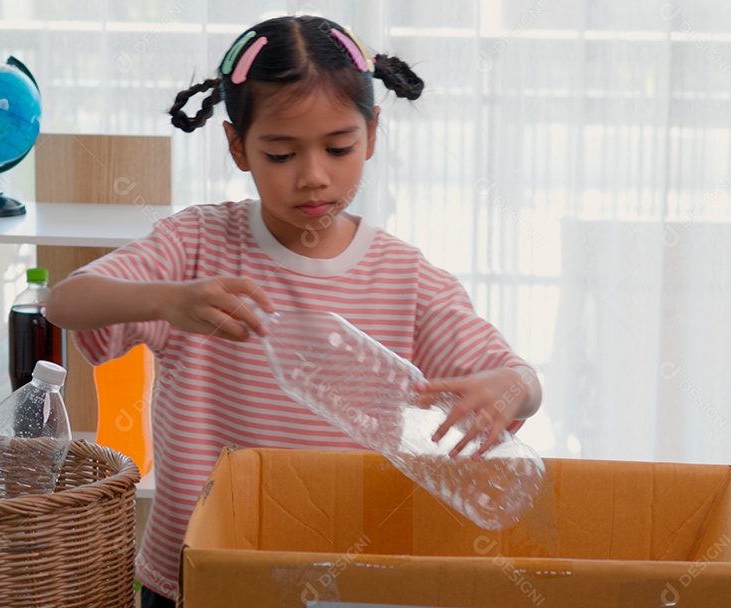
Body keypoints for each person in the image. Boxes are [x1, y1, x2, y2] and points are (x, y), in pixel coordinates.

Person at [46, 14, 542, 607]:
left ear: (373, 133)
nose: (313, 176)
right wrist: (168, 300)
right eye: (281, 154)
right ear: (238, 147)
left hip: (345, 583)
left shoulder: (404, 277)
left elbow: (520, 379)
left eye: (339, 148)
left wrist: (508, 389)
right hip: (199, 576)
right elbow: (66, 301)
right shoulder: (197, 246)